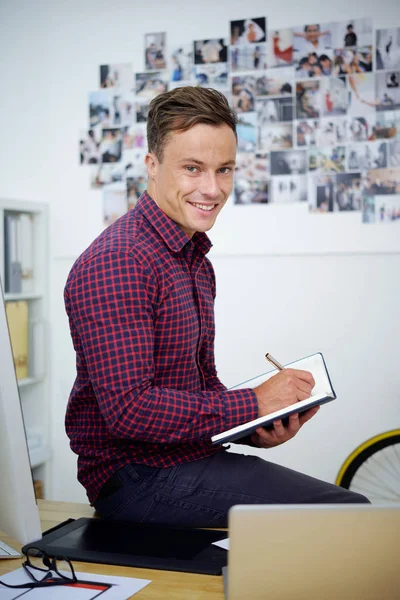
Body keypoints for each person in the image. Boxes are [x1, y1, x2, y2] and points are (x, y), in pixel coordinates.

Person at [64, 86, 369, 528]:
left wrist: (258, 426)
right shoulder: (120, 260)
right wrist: (253, 402)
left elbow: (197, 391)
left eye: (224, 170)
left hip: (187, 459)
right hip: (138, 480)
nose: (212, 189)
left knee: (344, 515)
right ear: (152, 166)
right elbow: (130, 410)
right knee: (350, 516)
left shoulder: (191, 258)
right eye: (192, 168)